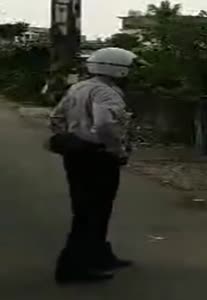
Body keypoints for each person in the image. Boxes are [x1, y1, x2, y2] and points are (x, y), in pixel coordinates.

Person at [49, 47, 138, 284]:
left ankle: (99, 255)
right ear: (117, 68)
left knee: (90, 209)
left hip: (77, 154)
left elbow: (56, 117)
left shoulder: (78, 87)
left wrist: (71, 138)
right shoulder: (106, 93)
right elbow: (106, 125)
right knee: (92, 211)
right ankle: (73, 267)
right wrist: (115, 150)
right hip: (97, 156)